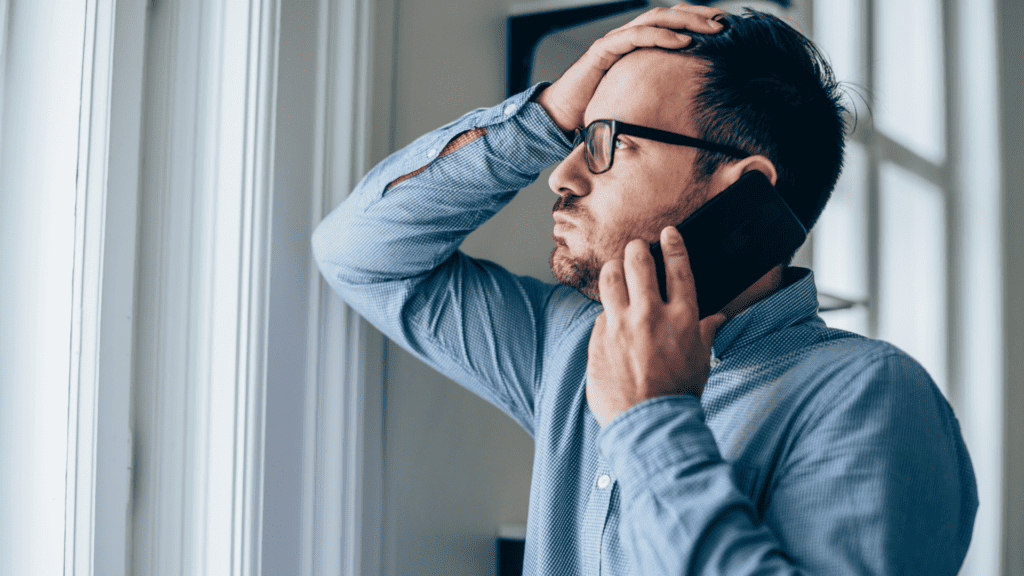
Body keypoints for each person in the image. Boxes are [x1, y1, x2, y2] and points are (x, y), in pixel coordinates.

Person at [313, 5, 977, 575]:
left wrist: (651, 420)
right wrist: (541, 117)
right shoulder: (571, 345)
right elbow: (363, 252)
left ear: (743, 188)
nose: (561, 175)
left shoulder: (871, 397)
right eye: (573, 137)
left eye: (604, 141)